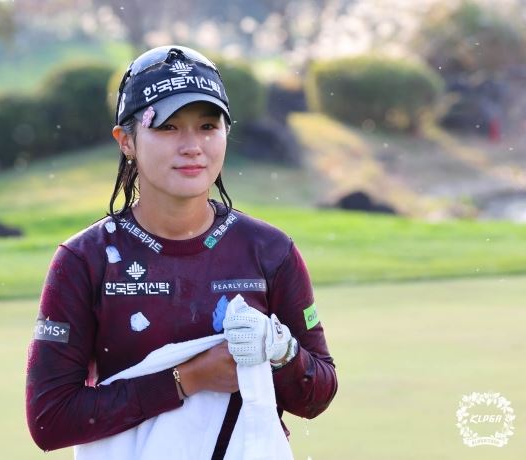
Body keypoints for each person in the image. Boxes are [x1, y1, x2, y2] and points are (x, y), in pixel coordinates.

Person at [25, 45, 338, 458]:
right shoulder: (86, 259)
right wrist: (189, 378)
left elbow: (316, 396)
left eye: (208, 126)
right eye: (168, 127)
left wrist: (282, 352)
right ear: (126, 140)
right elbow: (50, 420)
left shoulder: (269, 250)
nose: (192, 146)